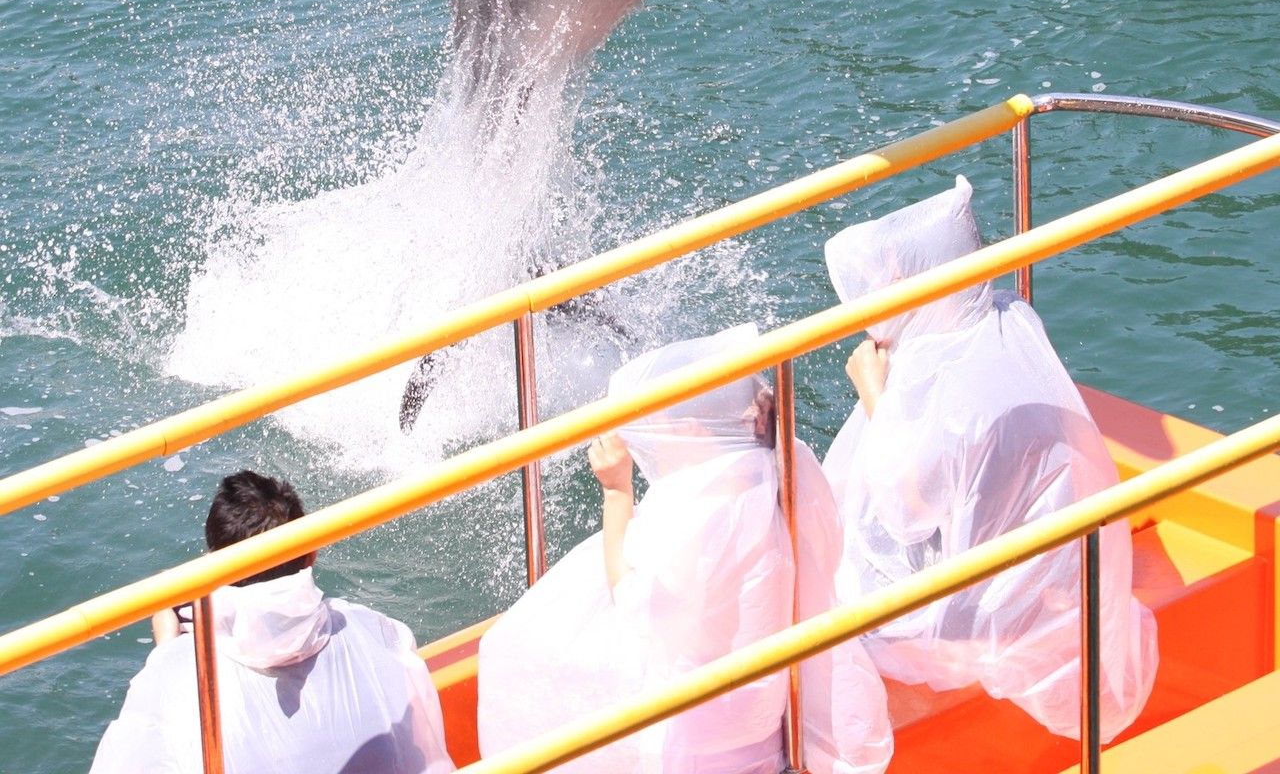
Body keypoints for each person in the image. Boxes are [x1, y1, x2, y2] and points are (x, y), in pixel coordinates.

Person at [821, 176, 1157, 742]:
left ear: (904, 280)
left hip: (996, 606)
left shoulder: (938, 379)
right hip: (1066, 570)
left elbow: (907, 506)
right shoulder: (1009, 318)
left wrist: (874, 394)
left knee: (840, 586)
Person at [477, 324, 893, 774]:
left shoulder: (696, 510)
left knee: (511, 650)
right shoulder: (789, 459)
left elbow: (634, 605)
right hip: (773, 715)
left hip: (700, 747)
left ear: (692, 430)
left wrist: (617, 493)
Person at [90, 469, 456, 774]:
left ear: (214, 570)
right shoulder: (377, 632)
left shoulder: (185, 674)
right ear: (311, 553)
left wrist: (168, 653)